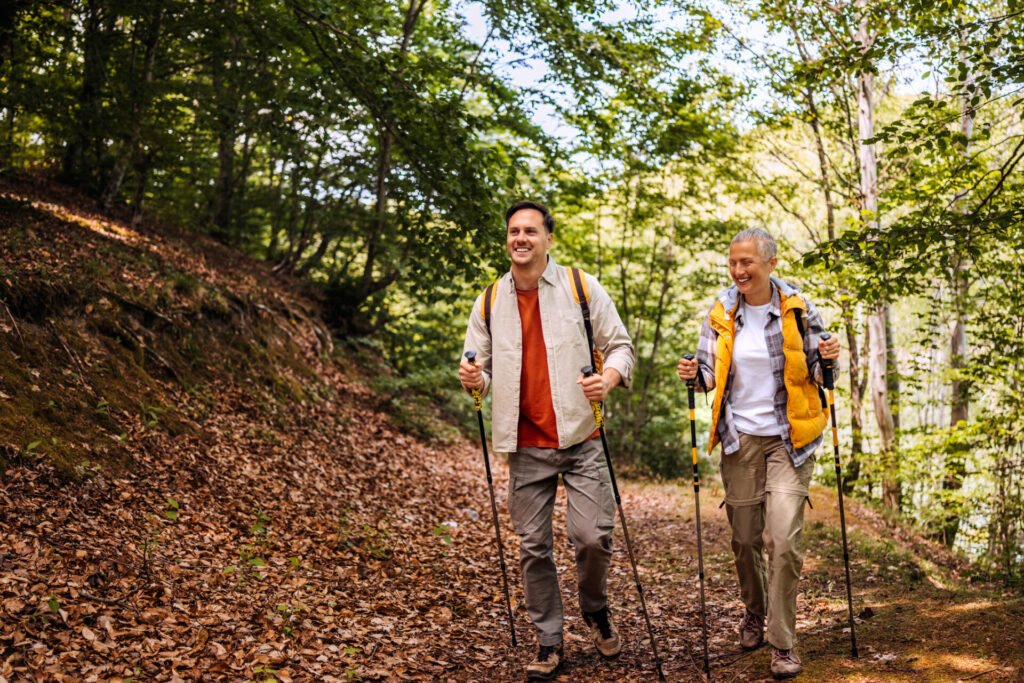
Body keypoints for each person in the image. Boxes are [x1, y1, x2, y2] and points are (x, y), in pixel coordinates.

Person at [459, 200, 635, 681]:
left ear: (548, 239)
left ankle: (595, 609)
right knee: (533, 547)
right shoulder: (490, 299)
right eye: (514, 231)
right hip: (525, 442)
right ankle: (549, 640)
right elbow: (481, 365)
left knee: (593, 538)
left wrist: (610, 379)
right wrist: (474, 377)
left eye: (530, 231)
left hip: (582, 434)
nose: (521, 238)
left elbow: (621, 346)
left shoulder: (581, 286)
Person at [677, 228, 840, 680]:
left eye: (747, 262)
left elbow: (824, 374)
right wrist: (693, 374)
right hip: (740, 438)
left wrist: (829, 356)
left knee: (782, 541)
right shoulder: (721, 313)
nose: (739, 270)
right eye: (733, 262)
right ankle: (754, 609)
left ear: (770, 263)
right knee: (745, 539)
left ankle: (782, 642)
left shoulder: (799, 310)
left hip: (791, 439)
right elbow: (709, 376)